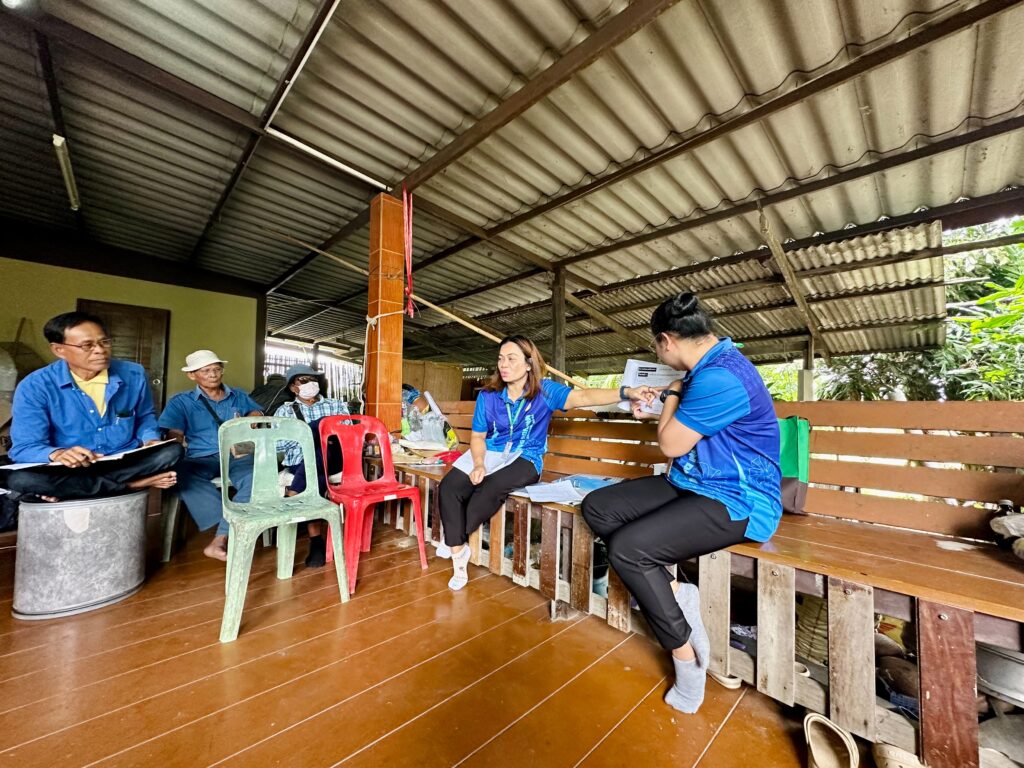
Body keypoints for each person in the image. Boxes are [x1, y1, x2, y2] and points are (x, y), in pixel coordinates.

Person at [581, 293, 781, 715]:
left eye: (655, 346)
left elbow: (671, 444)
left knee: (629, 550)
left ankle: (686, 659)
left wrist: (671, 393)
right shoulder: (707, 368)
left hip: (739, 499)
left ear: (667, 340)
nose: (658, 354)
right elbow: (690, 426)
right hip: (693, 483)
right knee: (598, 507)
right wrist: (658, 407)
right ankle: (676, 593)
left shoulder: (721, 377)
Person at [437, 335, 656, 591]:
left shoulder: (546, 391)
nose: (503, 365)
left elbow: (583, 397)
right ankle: (458, 546)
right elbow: (477, 437)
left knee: (490, 487)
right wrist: (478, 463)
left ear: (529, 363)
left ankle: (455, 546)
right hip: (490, 453)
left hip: (526, 458)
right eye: (501, 359)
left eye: (511, 359)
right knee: (449, 486)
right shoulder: (489, 396)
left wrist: (626, 391)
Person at [0, 312, 182, 501]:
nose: (100, 350)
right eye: (87, 345)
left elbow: (145, 416)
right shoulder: (35, 386)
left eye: (104, 342)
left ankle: (75, 489)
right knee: (20, 479)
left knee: (172, 451)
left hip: (123, 461)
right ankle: (132, 485)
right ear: (59, 350)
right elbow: (25, 447)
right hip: (71, 468)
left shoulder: (133, 374)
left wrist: (150, 439)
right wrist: (58, 453)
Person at [158, 350, 262, 561]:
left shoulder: (239, 395)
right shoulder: (181, 401)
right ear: (192, 375)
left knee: (257, 477)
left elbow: (257, 413)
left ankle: (220, 538)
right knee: (180, 472)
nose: (213, 374)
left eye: (216, 369)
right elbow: (175, 434)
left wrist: (251, 420)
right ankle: (226, 523)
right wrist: (172, 451)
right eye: (206, 371)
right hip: (201, 457)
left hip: (238, 455)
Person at [273, 363, 349, 567]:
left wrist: (317, 433)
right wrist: (306, 437)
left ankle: (294, 494)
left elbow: (348, 432)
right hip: (300, 463)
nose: (310, 383)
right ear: (293, 387)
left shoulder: (336, 405)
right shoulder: (285, 411)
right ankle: (316, 541)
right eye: (304, 380)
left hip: (335, 458)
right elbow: (277, 443)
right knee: (316, 453)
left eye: (313, 379)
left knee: (321, 427)